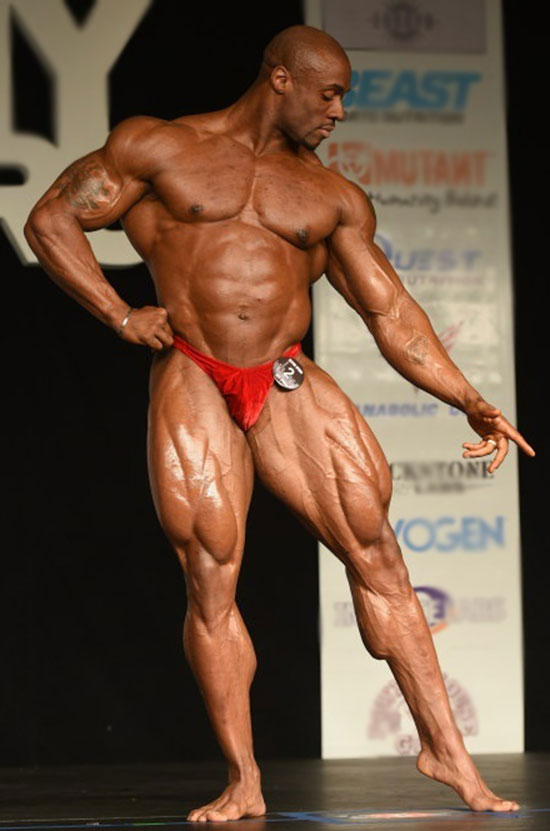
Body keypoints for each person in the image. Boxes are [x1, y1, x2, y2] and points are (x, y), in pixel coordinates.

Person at [24, 24, 534, 824]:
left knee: (379, 551)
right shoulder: (157, 146)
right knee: (212, 567)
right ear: (282, 78)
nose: (340, 111)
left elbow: (389, 311)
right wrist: (122, 316)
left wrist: (466, 395)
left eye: (346, 98)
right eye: (330, 94)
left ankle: (452, 756)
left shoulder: (331, 197)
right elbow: (52, 220)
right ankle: (244, 778)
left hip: (286, 370)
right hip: (194, 366)